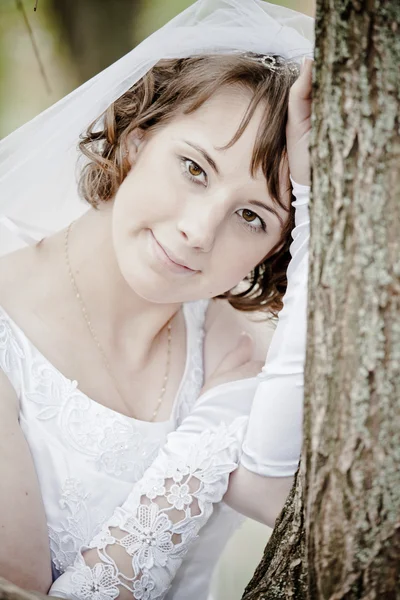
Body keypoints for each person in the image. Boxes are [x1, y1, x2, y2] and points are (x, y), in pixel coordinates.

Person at [0, 0, 313, 598]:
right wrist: (192, 465)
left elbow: (282, 494)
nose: (200, 230)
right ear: (139, 138)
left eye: (252, 216)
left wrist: (317, 204)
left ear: (275, 250)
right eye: (195, 168)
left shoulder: (232, 347)